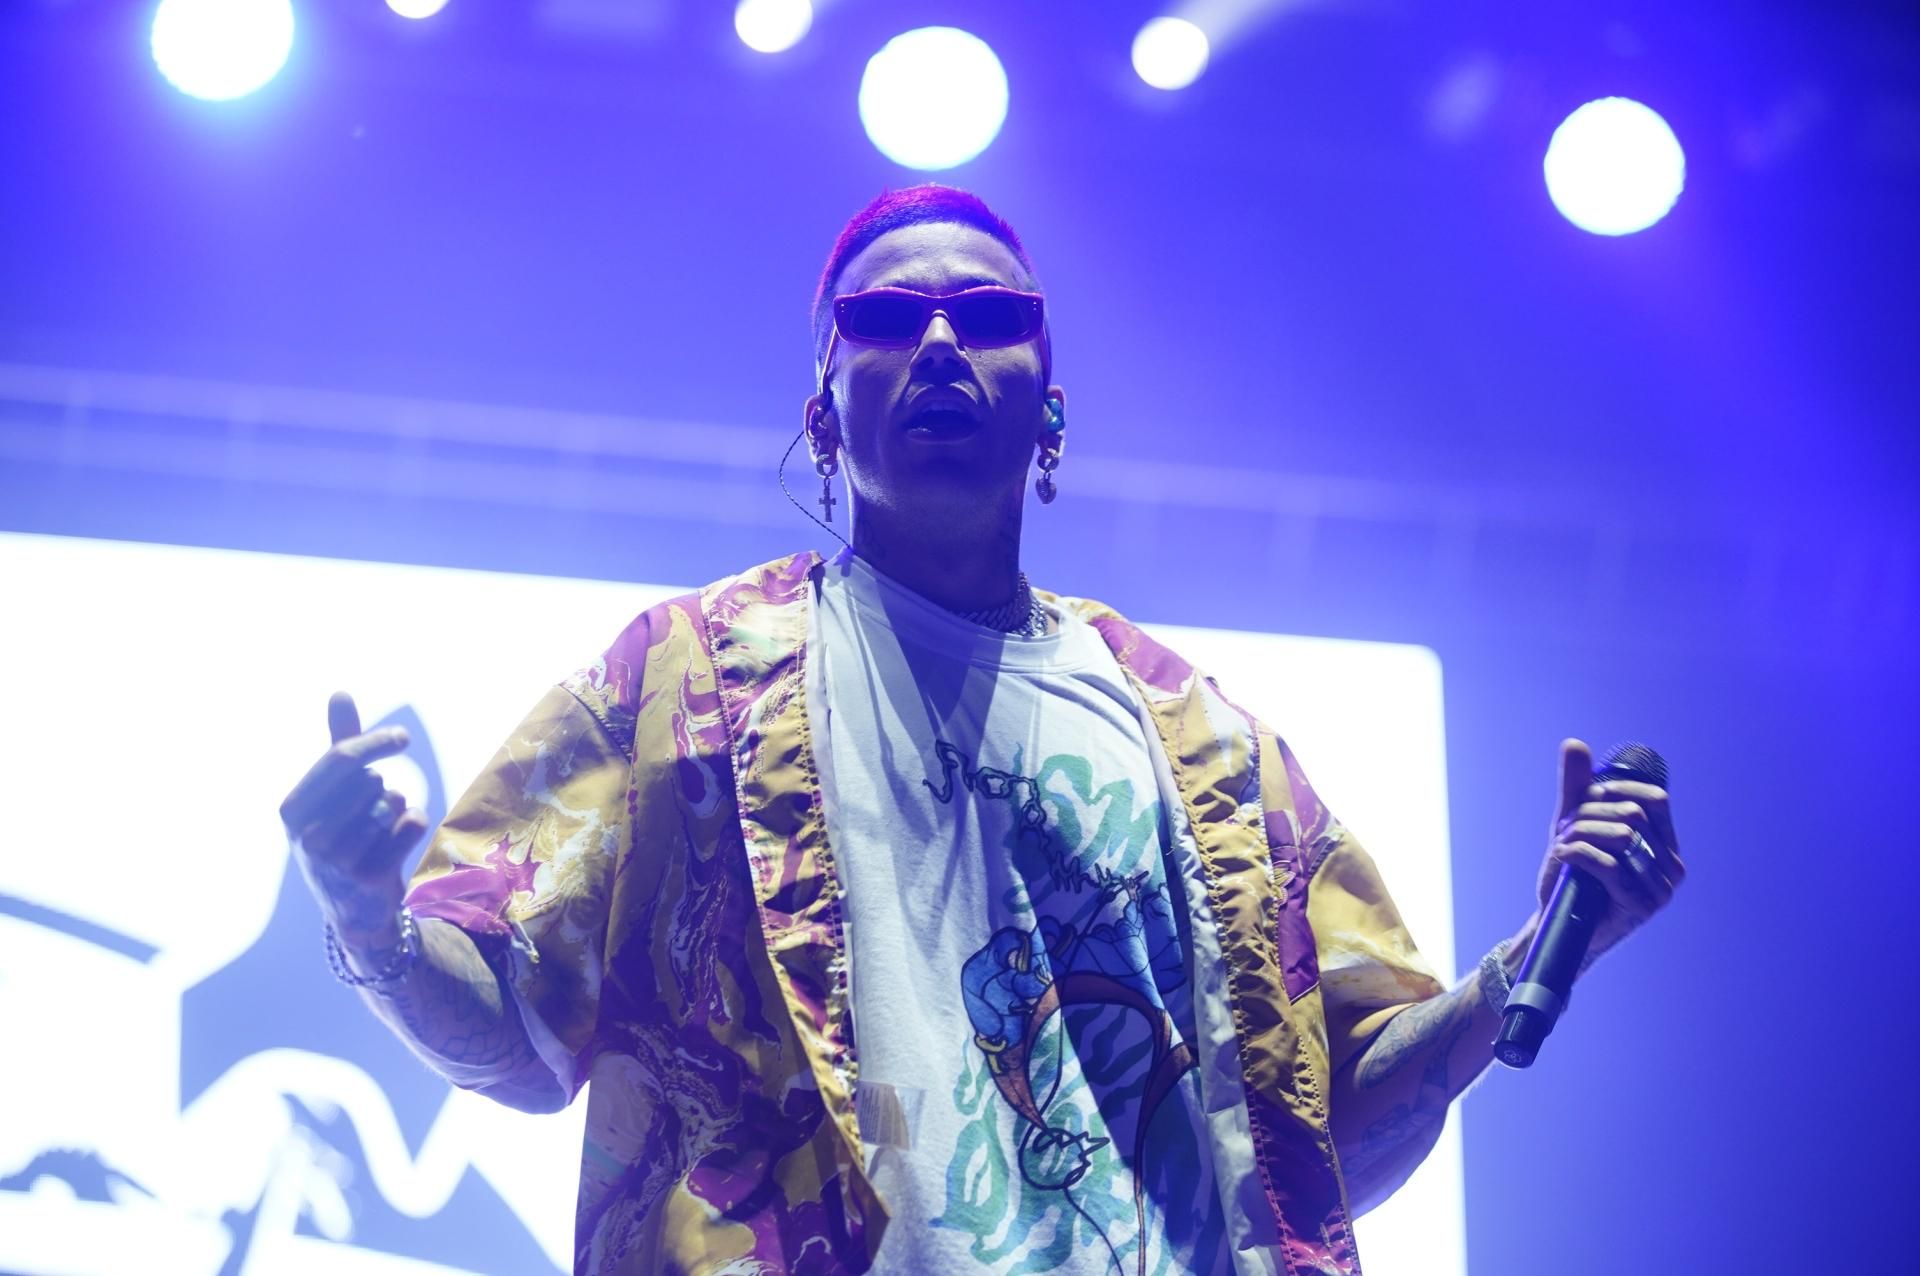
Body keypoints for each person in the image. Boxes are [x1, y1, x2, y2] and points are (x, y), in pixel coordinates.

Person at [278, 185, 1684, 1276]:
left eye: (989, 314)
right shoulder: (680, 683)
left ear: (1050, 405)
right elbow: (508, 1029)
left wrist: (1527, 967)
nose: (940, 343)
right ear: (823, 413)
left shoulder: (1199, 736)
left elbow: (1318, 1143)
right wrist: (368, 920)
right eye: (887, 321)